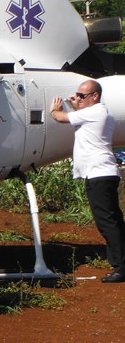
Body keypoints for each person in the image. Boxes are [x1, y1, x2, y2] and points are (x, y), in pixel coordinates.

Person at [50, 79, 125, 283]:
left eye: (82, 96)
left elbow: (61, 117)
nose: (78, 99)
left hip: (98, 174)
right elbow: (79, 117)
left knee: (106, 222)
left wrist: (54, 109)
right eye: (78, 95)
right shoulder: (99, 112)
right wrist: (77, 105)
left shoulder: (95, 112)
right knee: (114, 220)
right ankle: (121, 263)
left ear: (95, 96)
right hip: (103, 173)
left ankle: (121, 267)